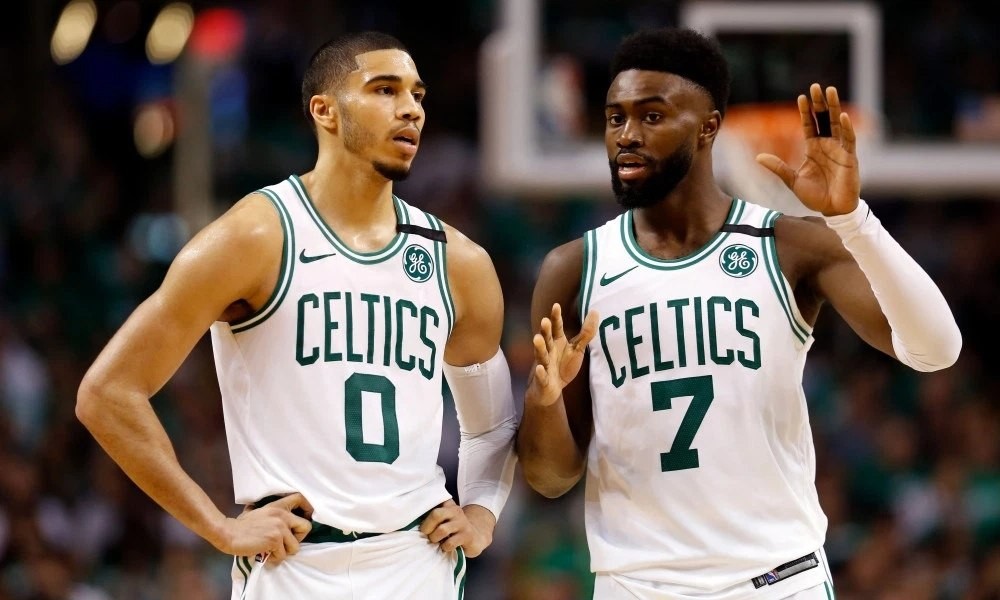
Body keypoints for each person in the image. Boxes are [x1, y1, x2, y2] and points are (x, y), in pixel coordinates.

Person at [516, 27, 962, 600]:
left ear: (708, 127)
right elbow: (551, 478)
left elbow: (936, 350)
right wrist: (544, 402)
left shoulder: (787, 246)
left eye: (652, 116)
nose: (627, 135)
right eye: (615, 118)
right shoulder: (573, 270)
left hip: (776, 579)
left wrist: (852, 220)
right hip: (637, 584)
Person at [77, 31, 518, 599]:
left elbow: (492, 423)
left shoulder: (458, 261)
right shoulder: (256, 235)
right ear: (324, 111)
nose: (411, 108)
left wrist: (481, 511)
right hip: (294, 565)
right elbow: (108, 393)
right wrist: (217, 526)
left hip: (415, 563)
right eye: (385, 90)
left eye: (417, 94)